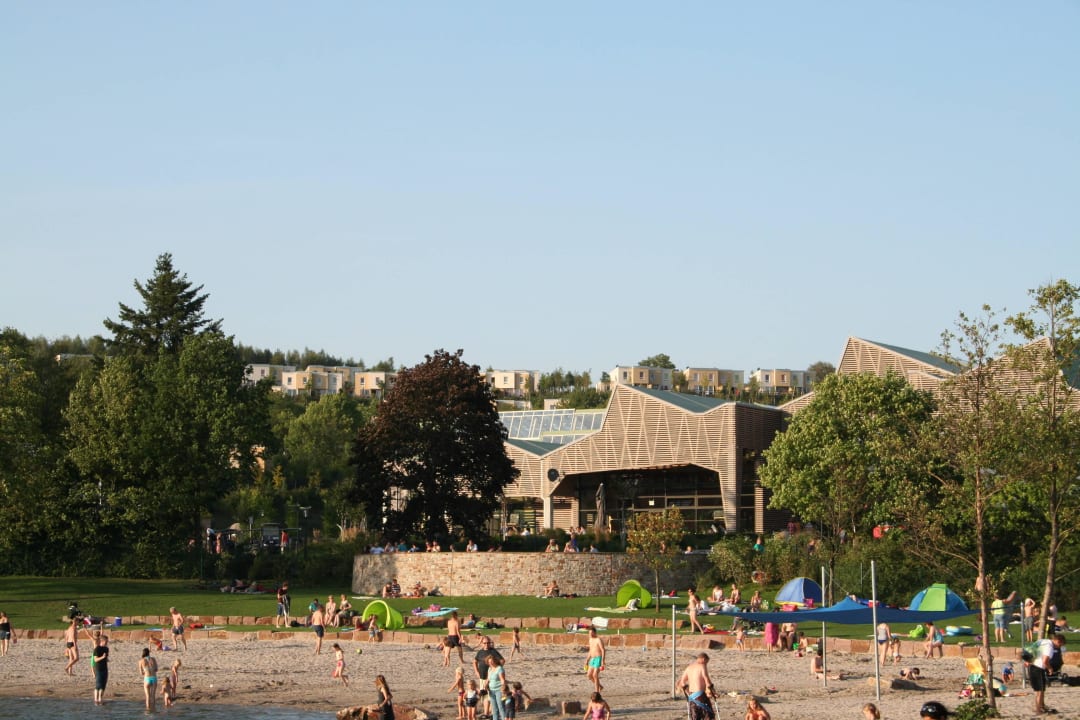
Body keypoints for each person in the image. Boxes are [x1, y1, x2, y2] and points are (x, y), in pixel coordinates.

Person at [1029, 632, 1067, 715]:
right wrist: (1050, 668)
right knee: (1040, 690)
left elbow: (1031, 648)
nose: (1059, 647)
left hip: (1032, 666)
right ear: (1058, 641)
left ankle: (1042, 706)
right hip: (1039, 668)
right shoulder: (1049, 647)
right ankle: (1038, 710)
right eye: (1060, 645)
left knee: (1039, 689)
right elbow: (1045, 661)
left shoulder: (1043, 641)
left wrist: (1029, 660)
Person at [678, 652, 716, 720]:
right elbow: (706, 679)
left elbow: (682, 682)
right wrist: (712, 690)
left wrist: (687, 690)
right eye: (706, 662)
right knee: (708, 715)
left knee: (695, 717)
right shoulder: (702, 666)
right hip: (701, 696)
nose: (706, 664)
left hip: (691, 696)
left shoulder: (689, 667)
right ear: (703, 659)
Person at [487, 655, 509, 720]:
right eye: (489, 662)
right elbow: (488, 679)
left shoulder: (499, 668)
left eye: (492, 662)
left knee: (501, 707)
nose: (490, 663)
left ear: (495, 661)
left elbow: (502, 679)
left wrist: (503, 689)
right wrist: (485, 686)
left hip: (499, 690)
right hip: (491, 690)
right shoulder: (490, 668)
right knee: (494, 708)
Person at [586, 627, 606, 693]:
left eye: (591, 633)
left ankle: (597, 692)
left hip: (598, 658)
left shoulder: (598, 640)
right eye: (589, 633)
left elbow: (603, 650)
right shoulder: (590, 640)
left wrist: (603, 660)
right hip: (592, 659)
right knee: (589, 675)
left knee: (595, 675)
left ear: (595, 633)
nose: (590, 634)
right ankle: (599, 686)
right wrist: (587, 660)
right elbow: (590, 651)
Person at [92, 635, 109, 705]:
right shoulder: (97, 649)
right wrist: (102, 657)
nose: (107, 642)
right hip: (98, 668)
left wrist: (106, 658)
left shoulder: (106, 649)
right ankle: (96, 700)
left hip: (105, 668)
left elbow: (106, 657)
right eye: (106, 641)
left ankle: (100, 699)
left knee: (103, 685)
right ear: (102, 641)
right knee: (98, 685)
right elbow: (95, 660)